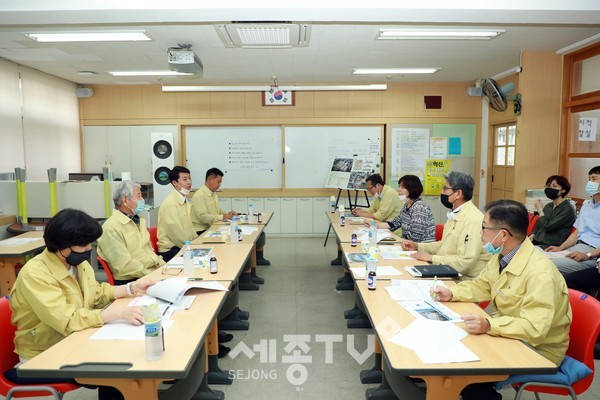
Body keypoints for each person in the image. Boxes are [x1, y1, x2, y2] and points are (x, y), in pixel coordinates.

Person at [431, 200, 571, 400]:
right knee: (452, 350)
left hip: (538, 349)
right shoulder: (503, 256)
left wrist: (490, 325)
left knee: (465, 370)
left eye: (484, 227)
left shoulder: (540, 274)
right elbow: (483, 285)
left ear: (503, 235)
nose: (481, 233)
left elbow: (534, 329)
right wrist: (452, 293)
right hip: (509, 333)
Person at [8, 209, 155, 400]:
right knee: (117, 370)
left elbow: (95, 294)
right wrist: (117, 314)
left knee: (126, 355)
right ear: (62, 245)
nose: (88, 249)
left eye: (89, 243)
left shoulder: (77, 263)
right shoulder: (35, 275)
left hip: (75, 339)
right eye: (83, 244)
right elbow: (67, 320)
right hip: (44, 353)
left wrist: (131, 288)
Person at [402, 171, 491, 280]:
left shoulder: (473, 219)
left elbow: (464, 263)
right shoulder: (455, 213)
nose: (442, 192)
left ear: (458, 193)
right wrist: (417, 246)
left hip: (464, 280)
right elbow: (443, 246)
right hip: (448, 272)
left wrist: (431, 258)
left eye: (445, 189)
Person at [98, 180, 165, 285]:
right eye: (138, 196)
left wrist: (165, 267)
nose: (142, 200)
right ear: (125, 201)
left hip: (149, 273)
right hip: (132, 280)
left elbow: (149, 251)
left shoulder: (138, 221)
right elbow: (125, 266)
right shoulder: (110, 228)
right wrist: (152, 275)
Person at [546, 166, 600, 275]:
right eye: (589, 179)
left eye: (594, 179)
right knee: (537, 258)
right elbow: (577, 232)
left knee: (546, 265)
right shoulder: (587, 206)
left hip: (592, 254)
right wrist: (560, 248)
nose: (590, 182)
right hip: (575, 248)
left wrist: (587, 255)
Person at [375, 174, 435, 243]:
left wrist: (398, 240)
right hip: (408, 244)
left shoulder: (420, 207)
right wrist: (376, 225)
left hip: (421, 246)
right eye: (399, 186)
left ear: (412, 189)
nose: (398, 190)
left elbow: (415, 236)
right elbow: (396, 223)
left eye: (402, 187)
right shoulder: (406, 205)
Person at [157, 166, 197, 262]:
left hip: (183, 245)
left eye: (189, 178)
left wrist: (198, 243)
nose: (189, 182)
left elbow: (190, 229)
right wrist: (193, 247)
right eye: (185, 179)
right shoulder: (170, 203)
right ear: (175, 183)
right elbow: (176, 235)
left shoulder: (184, 200)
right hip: (170, 250)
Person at [528, 175, 576, 249]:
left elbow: (548, 226)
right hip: (536, 242)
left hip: (550, 246)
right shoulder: (548, 206)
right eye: (549, 186)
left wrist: (540, 210)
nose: (550, 188)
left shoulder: (567, 209)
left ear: (563, 190)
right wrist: (533, 234)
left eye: (554, 186)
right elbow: (540, 223)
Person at [191, 167, 237, 235]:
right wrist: (223, 217)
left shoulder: (213, 194)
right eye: (218, 182)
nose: (220, 185)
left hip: (212, 227)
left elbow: (218, 211)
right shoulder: (199, 195)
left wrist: (228, 214)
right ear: (211, 179)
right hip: (201, 231)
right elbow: (203, 217)